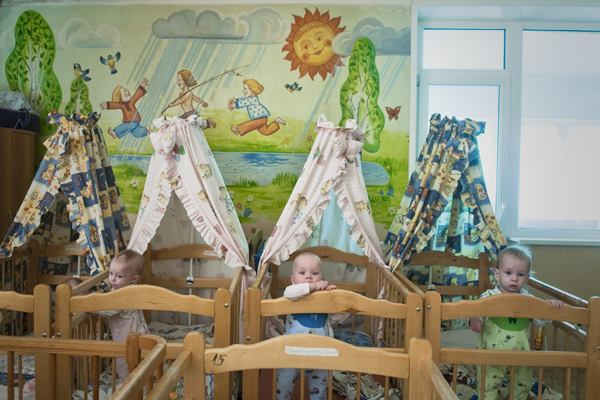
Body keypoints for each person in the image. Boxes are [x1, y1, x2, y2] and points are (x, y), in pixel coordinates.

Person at [468, 245, 563, 400]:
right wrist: (474, 318)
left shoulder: (528, 300)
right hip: (491, 357)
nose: (514, 278)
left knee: (522, 385)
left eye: (520, 274)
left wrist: (550, 309)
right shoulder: (489, 297)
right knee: (487, 387)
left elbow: (541, 321)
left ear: (527, 278)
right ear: (497, 274)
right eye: (508, 273)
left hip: (521, 356)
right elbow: (475, 312)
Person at [276, 252, 338, 400]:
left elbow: (338, 317)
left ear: (322, 279)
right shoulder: (292, 293)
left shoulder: (324, 296)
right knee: (284, 386)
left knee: (320, 389)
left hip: (320, 356)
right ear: (293, 280)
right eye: (302, 273)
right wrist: (314, 286)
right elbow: (289, 292)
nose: (309, 277)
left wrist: (335, 298)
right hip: (292, 355)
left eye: (314, 273)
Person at [93, 249, 149, 382]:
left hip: (128, 337)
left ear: (134, 279)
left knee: (124, 362)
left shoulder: (125, 294)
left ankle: (127, 385)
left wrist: (93, 310)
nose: (112, 279)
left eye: (119, 276)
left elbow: (111, 310)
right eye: (111, 273)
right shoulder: (123, 287)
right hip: (132, 333)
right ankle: (137, 380)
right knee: (133, 361)